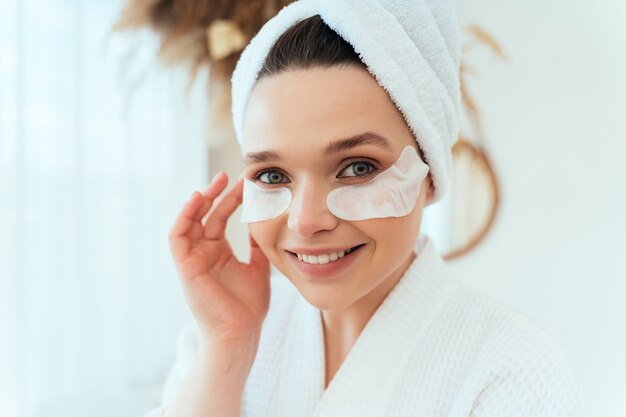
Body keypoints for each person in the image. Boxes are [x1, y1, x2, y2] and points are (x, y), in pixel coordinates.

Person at [141, 2, 589, 417]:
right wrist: (228, 347)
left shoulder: (513, 368)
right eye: (273, 176)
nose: (305, 221)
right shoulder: (219, 337)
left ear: (430, 174)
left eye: (357, 167)